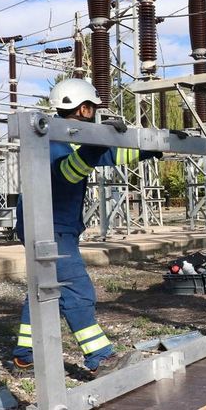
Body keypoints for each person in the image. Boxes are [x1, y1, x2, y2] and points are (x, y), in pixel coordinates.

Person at [12, 78, 161, 374]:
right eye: (93, 108)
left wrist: (150, 149)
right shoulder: (53, 139)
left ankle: (25, 355)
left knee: (43, 289)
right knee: (77, 291)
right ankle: (99, 359)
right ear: (83, 108)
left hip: (50, 223)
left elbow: (107, 154)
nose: (95, 114)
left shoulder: (68, 136)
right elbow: (68, 172)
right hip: (49, 227)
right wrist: (98, 145)